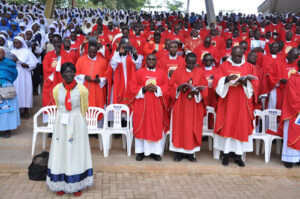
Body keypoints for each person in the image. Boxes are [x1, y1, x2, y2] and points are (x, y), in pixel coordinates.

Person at [47, 62, 93, 196]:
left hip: (76, 121)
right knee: (61, 150)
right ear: (62, 74)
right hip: (61, 122)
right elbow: (57, 104)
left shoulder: (82, 89)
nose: (69, 74)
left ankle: (77, 183)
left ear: (75, 73)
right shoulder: (56, 89)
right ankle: (60, 183)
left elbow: (85, 106)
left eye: (71, 72)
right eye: (66, 72)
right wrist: (63, 116)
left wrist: (77, 120)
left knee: (75, 151)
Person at [213, 46, 258, 167]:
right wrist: (226, 79)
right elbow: (216, 80)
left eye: (240, 56)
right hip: (228, 101)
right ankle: (226, 155)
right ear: (231, 55)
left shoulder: (249, 66)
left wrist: (245, 83)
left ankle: (238, 156)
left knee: (240, 127)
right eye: (236, 56)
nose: (238, 58)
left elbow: (255, 84)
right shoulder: (224, 66)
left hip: (242, 102)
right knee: (228, 126)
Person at [129, 54, 169, 161]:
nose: (151, 61)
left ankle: (155, 152)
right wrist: (144, 89)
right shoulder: (139, 72)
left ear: (156, 61)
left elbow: (167, 87)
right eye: (149, 59)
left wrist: (157, 89)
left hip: (156, 107)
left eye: (153, 59)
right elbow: (132, 86)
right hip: (142, 106)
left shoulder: (161, 73)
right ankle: (140, 151)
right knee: (142, 127)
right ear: (145, 61)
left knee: (155, 127)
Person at [169, 53, 208, 162]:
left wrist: (197, 92)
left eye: (193, 63)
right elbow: (171, 85)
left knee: (192, 128)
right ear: (185, 61)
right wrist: (178, 88)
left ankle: (191, 153)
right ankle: (178, 153)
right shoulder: (178, 71)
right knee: (179, 127)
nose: (191, 65)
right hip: (180, 105)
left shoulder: (200, 72)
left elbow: (204, 88)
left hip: (194, 106)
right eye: (189, 62)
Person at [11, 36, 38, 118]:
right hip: (14, 73)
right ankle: (17, 111)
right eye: (14, 42)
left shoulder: (27, 52)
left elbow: (34, 63)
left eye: (17, 42)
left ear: (21, 43)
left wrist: (27, 65)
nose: (16, 44)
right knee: (16, 91)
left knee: (25, 90)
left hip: (24, 73)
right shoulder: (11, 51)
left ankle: (26, 110)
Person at [280, 59, 300, 168]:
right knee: (291, 135)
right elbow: (292, 97)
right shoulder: (293, 79)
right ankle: (288, 159)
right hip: (293, 112)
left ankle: (298, 158)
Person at [75, 42, 107, 109]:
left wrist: (100, 80)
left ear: (97, 51)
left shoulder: (103, 61)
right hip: (84, 86)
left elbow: (106, 75)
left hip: (97, 88)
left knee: (97, 106)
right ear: (87, 51)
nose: (92, 54)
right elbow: (76, 73)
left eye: (94, 52)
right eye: (90, 52)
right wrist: (84, 77)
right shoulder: (81, 60)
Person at [0, 47, 20, 138]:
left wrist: (5, 82)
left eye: (3, 52)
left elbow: (14, 75)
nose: (1, 54)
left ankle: (7, 130)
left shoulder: (10, 64)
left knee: (6, 110)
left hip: (6, 87)